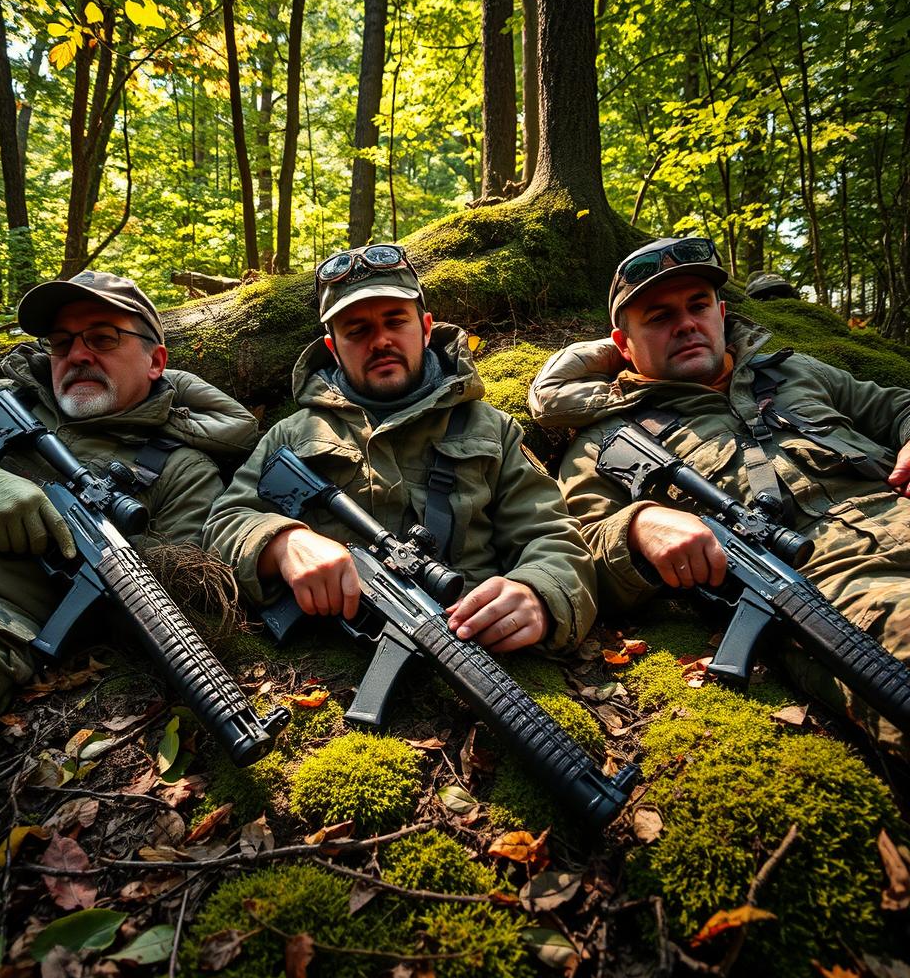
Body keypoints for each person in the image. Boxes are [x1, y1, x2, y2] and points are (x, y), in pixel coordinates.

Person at [528, 236, 910, 750]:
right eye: (659, 316)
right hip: (834, 589)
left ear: (722, 313)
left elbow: (894, 405)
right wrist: (638, 527)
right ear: (623, 345)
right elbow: (581, 553)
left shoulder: (795, 370)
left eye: (698, 306)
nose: (685, 323)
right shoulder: (607, 439)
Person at [0, 270, 259, 792]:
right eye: (62, 342)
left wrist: (106, 549)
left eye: (103, 338)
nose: (78, 354)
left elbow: (194, 588)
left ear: (155, 362)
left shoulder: (180, 468)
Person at [204, 244, 597, 656]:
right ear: (333, 347)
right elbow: (224, 523)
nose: (381, 341)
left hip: (473, 648)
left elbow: (553, 538)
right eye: (357, 331)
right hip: (321, 658)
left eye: (396, 321)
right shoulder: (292, 434)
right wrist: (282, 543)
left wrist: (537, 594)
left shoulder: (494, 430)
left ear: (426, 328)